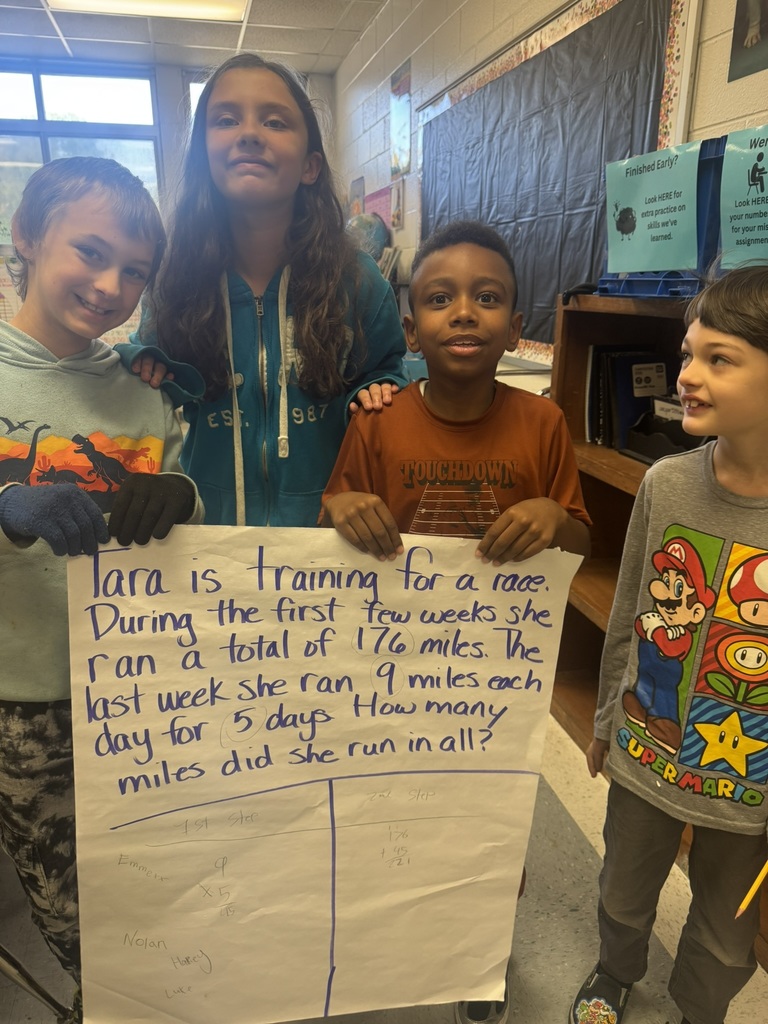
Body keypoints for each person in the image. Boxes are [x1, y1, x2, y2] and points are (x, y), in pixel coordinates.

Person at [321, 220, 592, 1024]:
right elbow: (333, 515)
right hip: (390, 674)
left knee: (490, 825)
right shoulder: (375, 422)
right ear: (411, 329)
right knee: (395, 816)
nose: (464, 313)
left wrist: (551, 510)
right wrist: (339, 503)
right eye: (441, 300)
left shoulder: (542, 425)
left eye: (488, 298)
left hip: (495, 683)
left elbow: (577, 537)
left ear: (517, 326)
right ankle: (402, 942)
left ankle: (480, 960)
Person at [0, 156, 204, 1023]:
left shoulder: (143, 394)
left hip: (134, 691)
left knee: (155, 876)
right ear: (26, 241)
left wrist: (184, 493)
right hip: (21, 699)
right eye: (89, 251)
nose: (109, 283)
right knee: (66, 899)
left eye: (135, 272)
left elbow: (193, 503)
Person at [569, 265, 768, 1024]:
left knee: (726, 939)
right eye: (687, 354)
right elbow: (630, 613)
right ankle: (615, 971)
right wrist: (602, 723)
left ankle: (700, 1011)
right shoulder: (668, 486)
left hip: (749, 785)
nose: (686, 375)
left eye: (719, 359)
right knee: (623, 888)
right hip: (646, 752)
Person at [121, 52, 406, 528]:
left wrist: (381, 387)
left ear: (310, 166)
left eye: (275, 121)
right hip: (211, 542)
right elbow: (148, 378)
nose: (249, 133)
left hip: (326, 537)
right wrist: (143, 362)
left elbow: (389, 369)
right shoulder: (176, 279)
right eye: (226, 119)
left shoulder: (355, 278)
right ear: (203, 157)